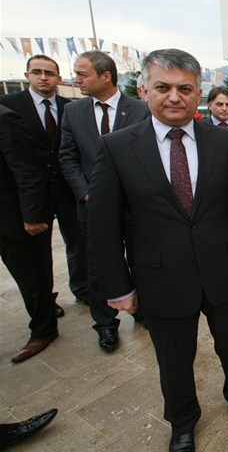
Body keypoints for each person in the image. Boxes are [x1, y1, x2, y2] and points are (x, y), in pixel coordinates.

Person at [88, 49, 228, 452]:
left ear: (198, 93)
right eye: (163, 87)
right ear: (143, 91)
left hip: (224, 271)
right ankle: (182, 420)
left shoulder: (224, 141)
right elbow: (102, 227)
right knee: (173, 358)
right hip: (161, 278)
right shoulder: (117, 147)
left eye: (185, 89)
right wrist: (118, 287)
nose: (174, 97)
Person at [60, 50, 150, 353]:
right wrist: (86, 192)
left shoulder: (140, 109)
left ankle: (143, 311)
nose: (76, 79)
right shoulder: (73, 112)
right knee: (99, 267)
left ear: (106, 76)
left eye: (82, 73)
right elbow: (68, 157)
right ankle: (106, 325)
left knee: (142, 261)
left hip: (137, 208)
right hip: (93, 208)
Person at [0, 55, 88, 310]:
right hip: (31, 192)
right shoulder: (9, 106)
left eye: (49, 73)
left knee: (78, 242)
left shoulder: (70, 107)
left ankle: (82, 288)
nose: (43, 77)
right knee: (38, 249)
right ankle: (47, 299)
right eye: (37, 72)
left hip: (67, 188)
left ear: (58, 78)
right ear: (27, 75)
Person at [0, 105, 59, 364]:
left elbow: (26, 170)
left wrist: (32, 215)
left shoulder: (5, 119)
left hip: (10, 219)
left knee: (31, 277)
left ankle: (44, 329)